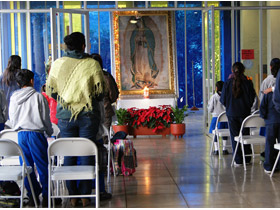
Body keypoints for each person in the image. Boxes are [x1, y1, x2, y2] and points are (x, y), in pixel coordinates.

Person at [46, 32, 107, 207]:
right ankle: (85, 195)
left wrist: (66, 100)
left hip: (65, 115)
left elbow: (51, 90)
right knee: (87, 152)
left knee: (69, 153)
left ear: (67, 47)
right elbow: (100, 92)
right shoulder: (92, 64)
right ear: (83, 46)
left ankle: (72, 196)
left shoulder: (58, 64)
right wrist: (84, 98)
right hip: (88, 115)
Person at [9, 69, 53, 207]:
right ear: (32, 81)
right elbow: (46, 118)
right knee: (43, 166)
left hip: (21, 135)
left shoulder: (14, 97)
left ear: (18, 83)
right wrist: (49, 131)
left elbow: (12, 118)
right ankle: (47, 197)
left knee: (26, 168)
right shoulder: (38, 97)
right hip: (36, 134)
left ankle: (32, 195)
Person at [220, 62, 256, 165]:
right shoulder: (248, 83)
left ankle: (238, 159)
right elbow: (252, 98)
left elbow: (222, 100)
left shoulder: (227, 83)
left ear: (232, 70)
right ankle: (247, 158)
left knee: (234, 136)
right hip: (245, 113)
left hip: (232, 113)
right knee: (245, 135)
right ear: (243, 70)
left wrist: (230, 106)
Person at [91, 53, 119, 143]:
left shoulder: (86, 78)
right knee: (104, 137)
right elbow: (113, 95)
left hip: (90, 112)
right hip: (105, 110)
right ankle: (104, 156)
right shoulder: (106, 77)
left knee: (92, 137)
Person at [259, 59, 280, 174]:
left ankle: (268, 166)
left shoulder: (266, 82)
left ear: (271, 67)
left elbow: (262, 102)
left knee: (269, 143)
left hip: (271, 119)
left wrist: (264, 116)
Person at [130, 17, 159, 89]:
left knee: (146, 63)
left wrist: (144, 40)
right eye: (137, 23)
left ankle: (147, 78)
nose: (138, 24)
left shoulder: (147, 31)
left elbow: (151, 41)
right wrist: (136, 40)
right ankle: (139, 78)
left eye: (139, 22)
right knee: (139, 64)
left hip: (145, 50)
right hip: (138, 50)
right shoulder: (135, 31)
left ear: (142, 22)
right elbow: (132, 41)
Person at [208, 81, 229, 155]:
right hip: (225, 118)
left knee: (215, 133)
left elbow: (210, 108)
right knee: (225, 133)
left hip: (216, 118)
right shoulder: (227, 96)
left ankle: (216, 149)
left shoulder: (214, 97)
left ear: (216, 88)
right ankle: (224, 148)